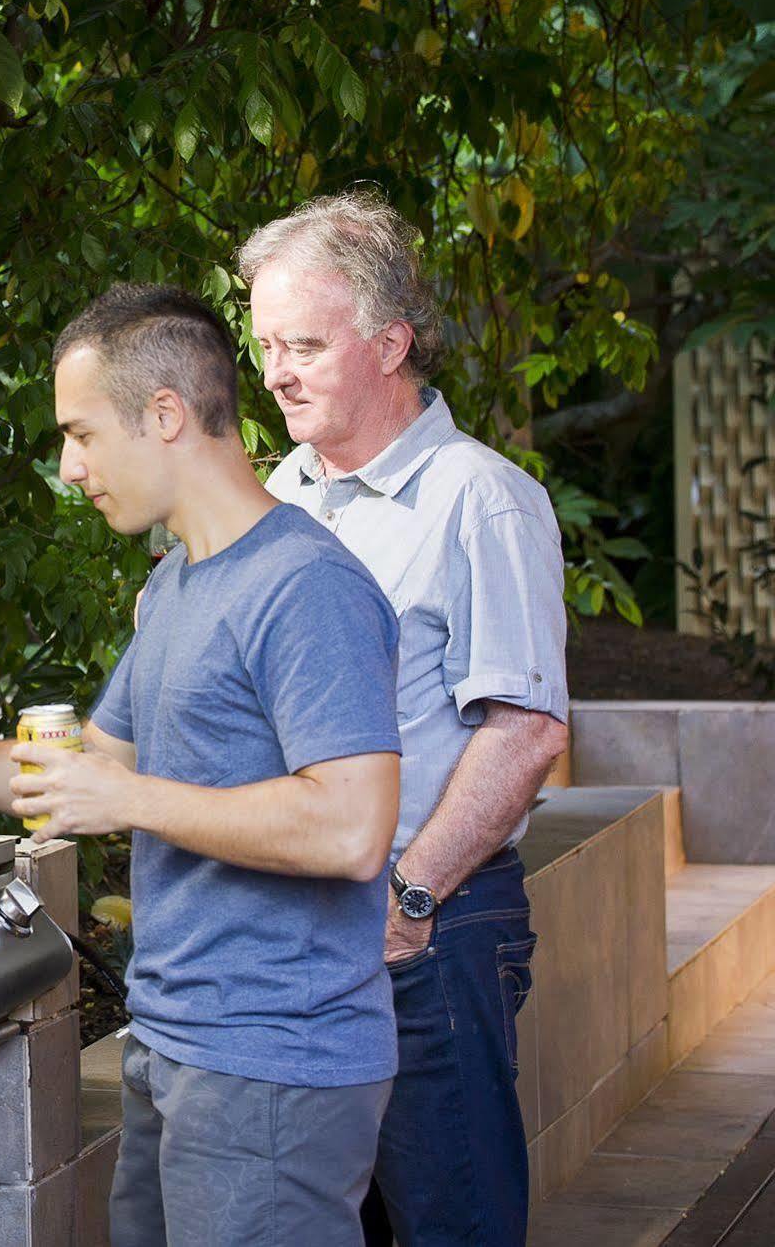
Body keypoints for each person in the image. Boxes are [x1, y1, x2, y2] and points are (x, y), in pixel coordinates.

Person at [0, 283, 404, 1246]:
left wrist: (127, 796)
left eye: (81, 433)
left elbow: (350, 828)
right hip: (173, 1044)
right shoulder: (177, 581)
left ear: (164, 414)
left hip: (270, 1061)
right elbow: (79, 773)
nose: (67, 466)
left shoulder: (305, 586)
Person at [240, 190, 570, 1246]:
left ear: (389, 344)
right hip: (285, 947)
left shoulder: (482, 500)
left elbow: (523, 730)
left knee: (448, 1224)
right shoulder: (265, 506)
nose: (276, 372)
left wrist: (409, 898)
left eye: (302, 344)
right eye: (263, 346)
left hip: (425, 933)